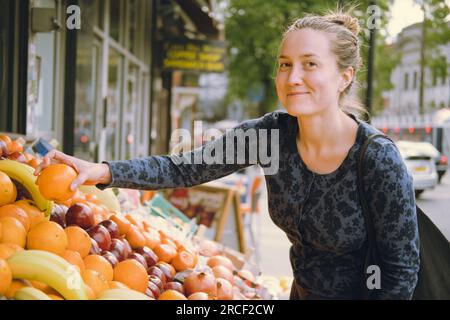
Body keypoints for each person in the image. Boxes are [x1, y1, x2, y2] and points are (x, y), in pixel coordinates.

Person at [35, 10, 420, 300]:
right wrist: (102, 170)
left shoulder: (376, 158)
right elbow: (183, 169)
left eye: (310, 65)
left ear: (345, 76)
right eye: (285, 65)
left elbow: (401, 272)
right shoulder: (271, 136)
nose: (293, 77)